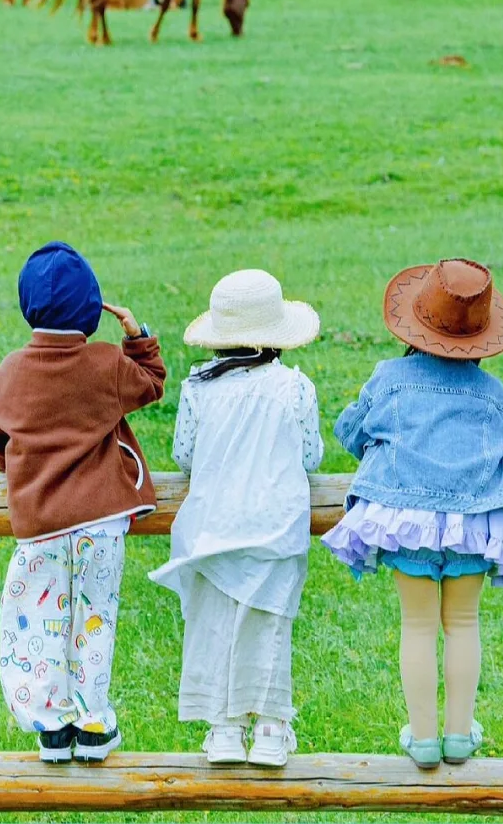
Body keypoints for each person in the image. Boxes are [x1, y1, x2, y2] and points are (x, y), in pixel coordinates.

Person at [324, 259, 503, 769]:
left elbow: (352, 431)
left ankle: (422, 738)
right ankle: (460, 734)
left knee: (417, 626)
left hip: (409, 520)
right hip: (475, 524)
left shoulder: (390, 378)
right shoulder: (491, 392)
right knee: (463, 622)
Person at [0, 240, 166, 763]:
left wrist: (22, 473)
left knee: (37, 625)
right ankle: (93, 723)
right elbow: (153, 384)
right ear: (93, 306)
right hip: (101, 526)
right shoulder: (106, 363)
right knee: (94, 618)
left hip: (39, 528)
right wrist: (138, 337)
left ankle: (51, 727)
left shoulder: (10, 372)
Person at [149, 269, 323, 768]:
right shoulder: (295, 387)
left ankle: (223, 729)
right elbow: (310, 456)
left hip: (212, 525)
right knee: (270, 624)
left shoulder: (198, 388)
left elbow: (185, 453)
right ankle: (270, 727)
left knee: (213, 626)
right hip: (275, 526)